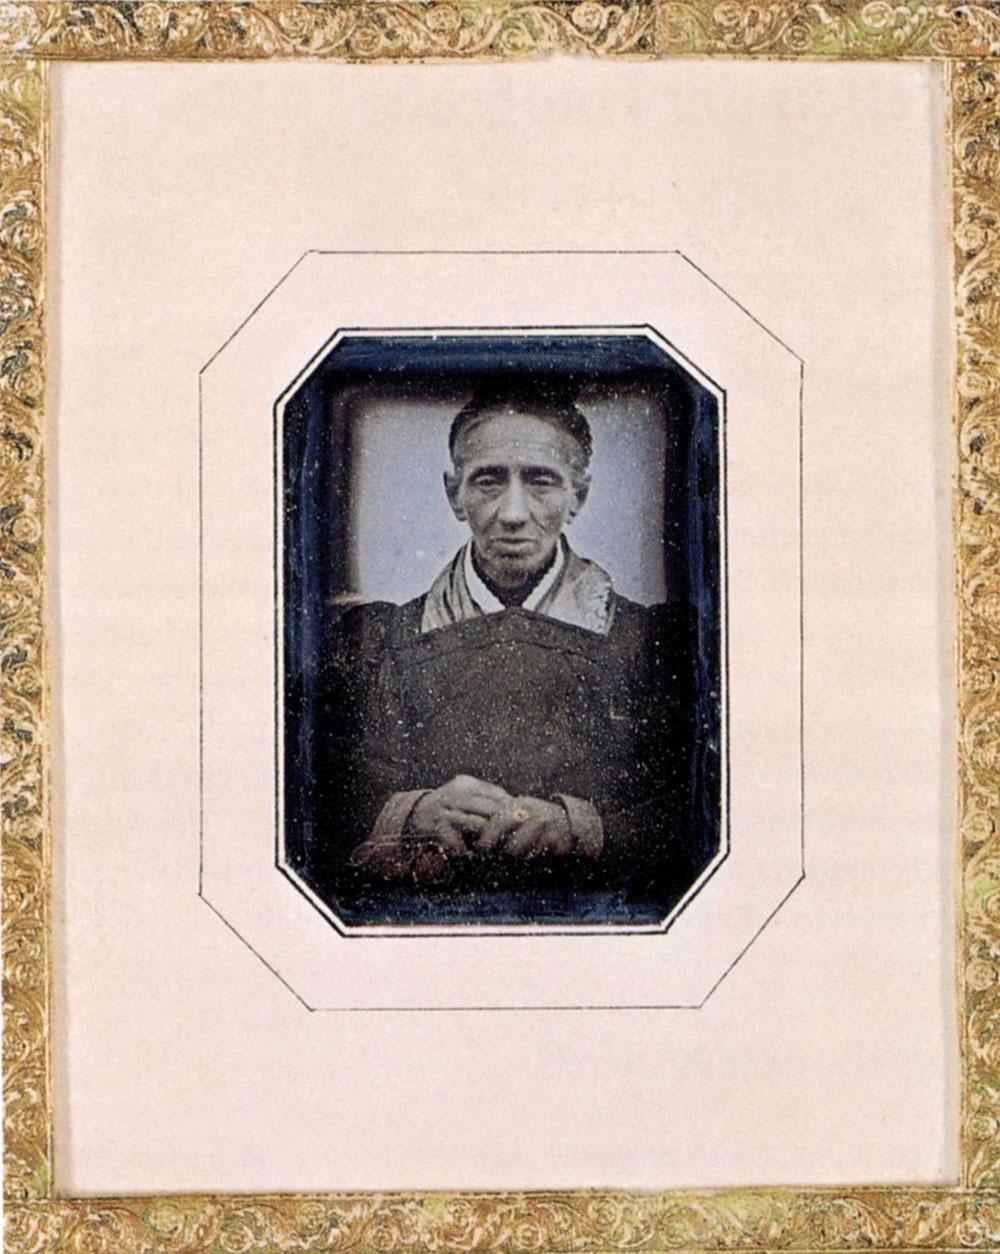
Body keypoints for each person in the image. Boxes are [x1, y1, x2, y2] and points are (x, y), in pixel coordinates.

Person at [305, 383, 703, 925]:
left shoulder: (655, 644)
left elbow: (700, 810)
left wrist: (582, 828)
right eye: (488, 480)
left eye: (541, 481)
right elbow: (315, 800)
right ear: (455, 494)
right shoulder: (374, 643)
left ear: (579, 495)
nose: (513, 512)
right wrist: (409, 814)